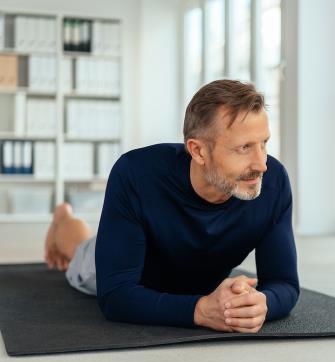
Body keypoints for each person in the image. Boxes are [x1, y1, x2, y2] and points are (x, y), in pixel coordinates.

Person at [43, 79, 299, 334]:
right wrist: (200, 310)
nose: (261, 164)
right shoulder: (135, 174)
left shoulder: (272, 182)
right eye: (244, 148)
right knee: (80, 252)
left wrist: (263, 304)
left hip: (197, 277)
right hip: (138, 272)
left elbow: (284, 282)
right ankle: (63, 217)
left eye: (263, 144)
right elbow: (115, 296)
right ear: (198, 151)